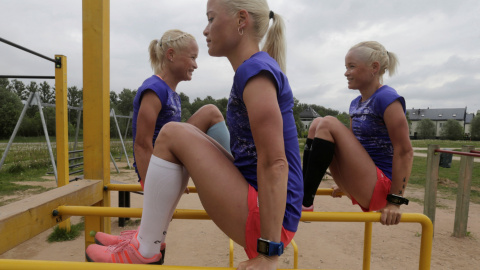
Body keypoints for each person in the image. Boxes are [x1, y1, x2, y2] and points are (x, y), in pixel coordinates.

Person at [85, 0, 303, 268]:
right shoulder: (253, 68)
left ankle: (145, 247)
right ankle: (146, 239)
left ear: (241, 20)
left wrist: (269, 253)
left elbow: (275, 163)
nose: (205, 29)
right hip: (266, 209)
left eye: (211, 19)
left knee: (172, 133)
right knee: (200, 117)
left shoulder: (255, 72)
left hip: (269, 221)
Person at [93, 29, 231, 251]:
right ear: (170, 55)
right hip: (156, 169)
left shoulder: (170, 92)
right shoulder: (154, 89)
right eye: (193, 57)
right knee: (211, 112)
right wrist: (153, 187)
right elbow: (142, 144)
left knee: (210, 112)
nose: (196, 65)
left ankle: (135, 239)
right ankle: (235, 174)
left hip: (167, 164)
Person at [302, 41, 413, 226]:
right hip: (365, 181)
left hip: (382, 187)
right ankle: (303, 193)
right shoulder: (356, 104)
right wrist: (347, 183)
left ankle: (304, 202)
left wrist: (395, 202)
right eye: (346, 67)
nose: (346, 73)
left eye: (351, 67)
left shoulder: (387, 98)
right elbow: (354, 148)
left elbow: (405, 151)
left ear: (374, 68)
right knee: (316, 124)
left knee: (327, 122)